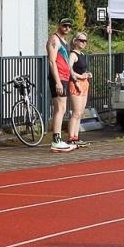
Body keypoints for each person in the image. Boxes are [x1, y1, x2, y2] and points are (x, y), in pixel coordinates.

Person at [47, 17, 74, 151]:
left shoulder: (64, 41)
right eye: (64, 26)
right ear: (59, 25)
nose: (67, 28)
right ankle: (56, 140)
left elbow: (66, 61)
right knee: (60, 109)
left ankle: (58, 139)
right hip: (58, 78)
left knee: (62, 108)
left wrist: (72, 77)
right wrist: (57, 81)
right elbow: (52, 61)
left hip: (64, 77)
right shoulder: (54, 39)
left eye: (69, 26)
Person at [65, 31, 92, 147]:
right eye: (81, 40)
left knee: (80, 113)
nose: (83, 43)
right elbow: (69, 68)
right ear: (75, 41)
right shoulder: (73, 55)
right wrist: (77, 79)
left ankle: (76, 136)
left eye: (85, 41)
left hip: (84, 83)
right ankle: (71, 137)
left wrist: (86, 74)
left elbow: (80, 69)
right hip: (76, 84)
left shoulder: (81, 55)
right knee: (76, 113)